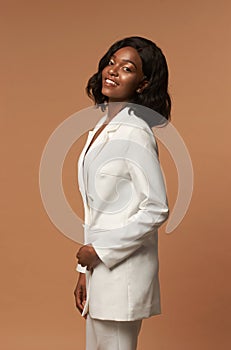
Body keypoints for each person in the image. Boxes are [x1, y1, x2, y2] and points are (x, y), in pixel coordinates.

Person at [74, 36, 171, 350]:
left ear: (142, 84)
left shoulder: (135, 132)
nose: (112, 71)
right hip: (100, 273)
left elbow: (156, 208)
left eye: (127, 68)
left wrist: (100, 253)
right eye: (111, 62)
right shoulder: (102, 127)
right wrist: (84, 270)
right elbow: (100, 209)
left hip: (122, 275)